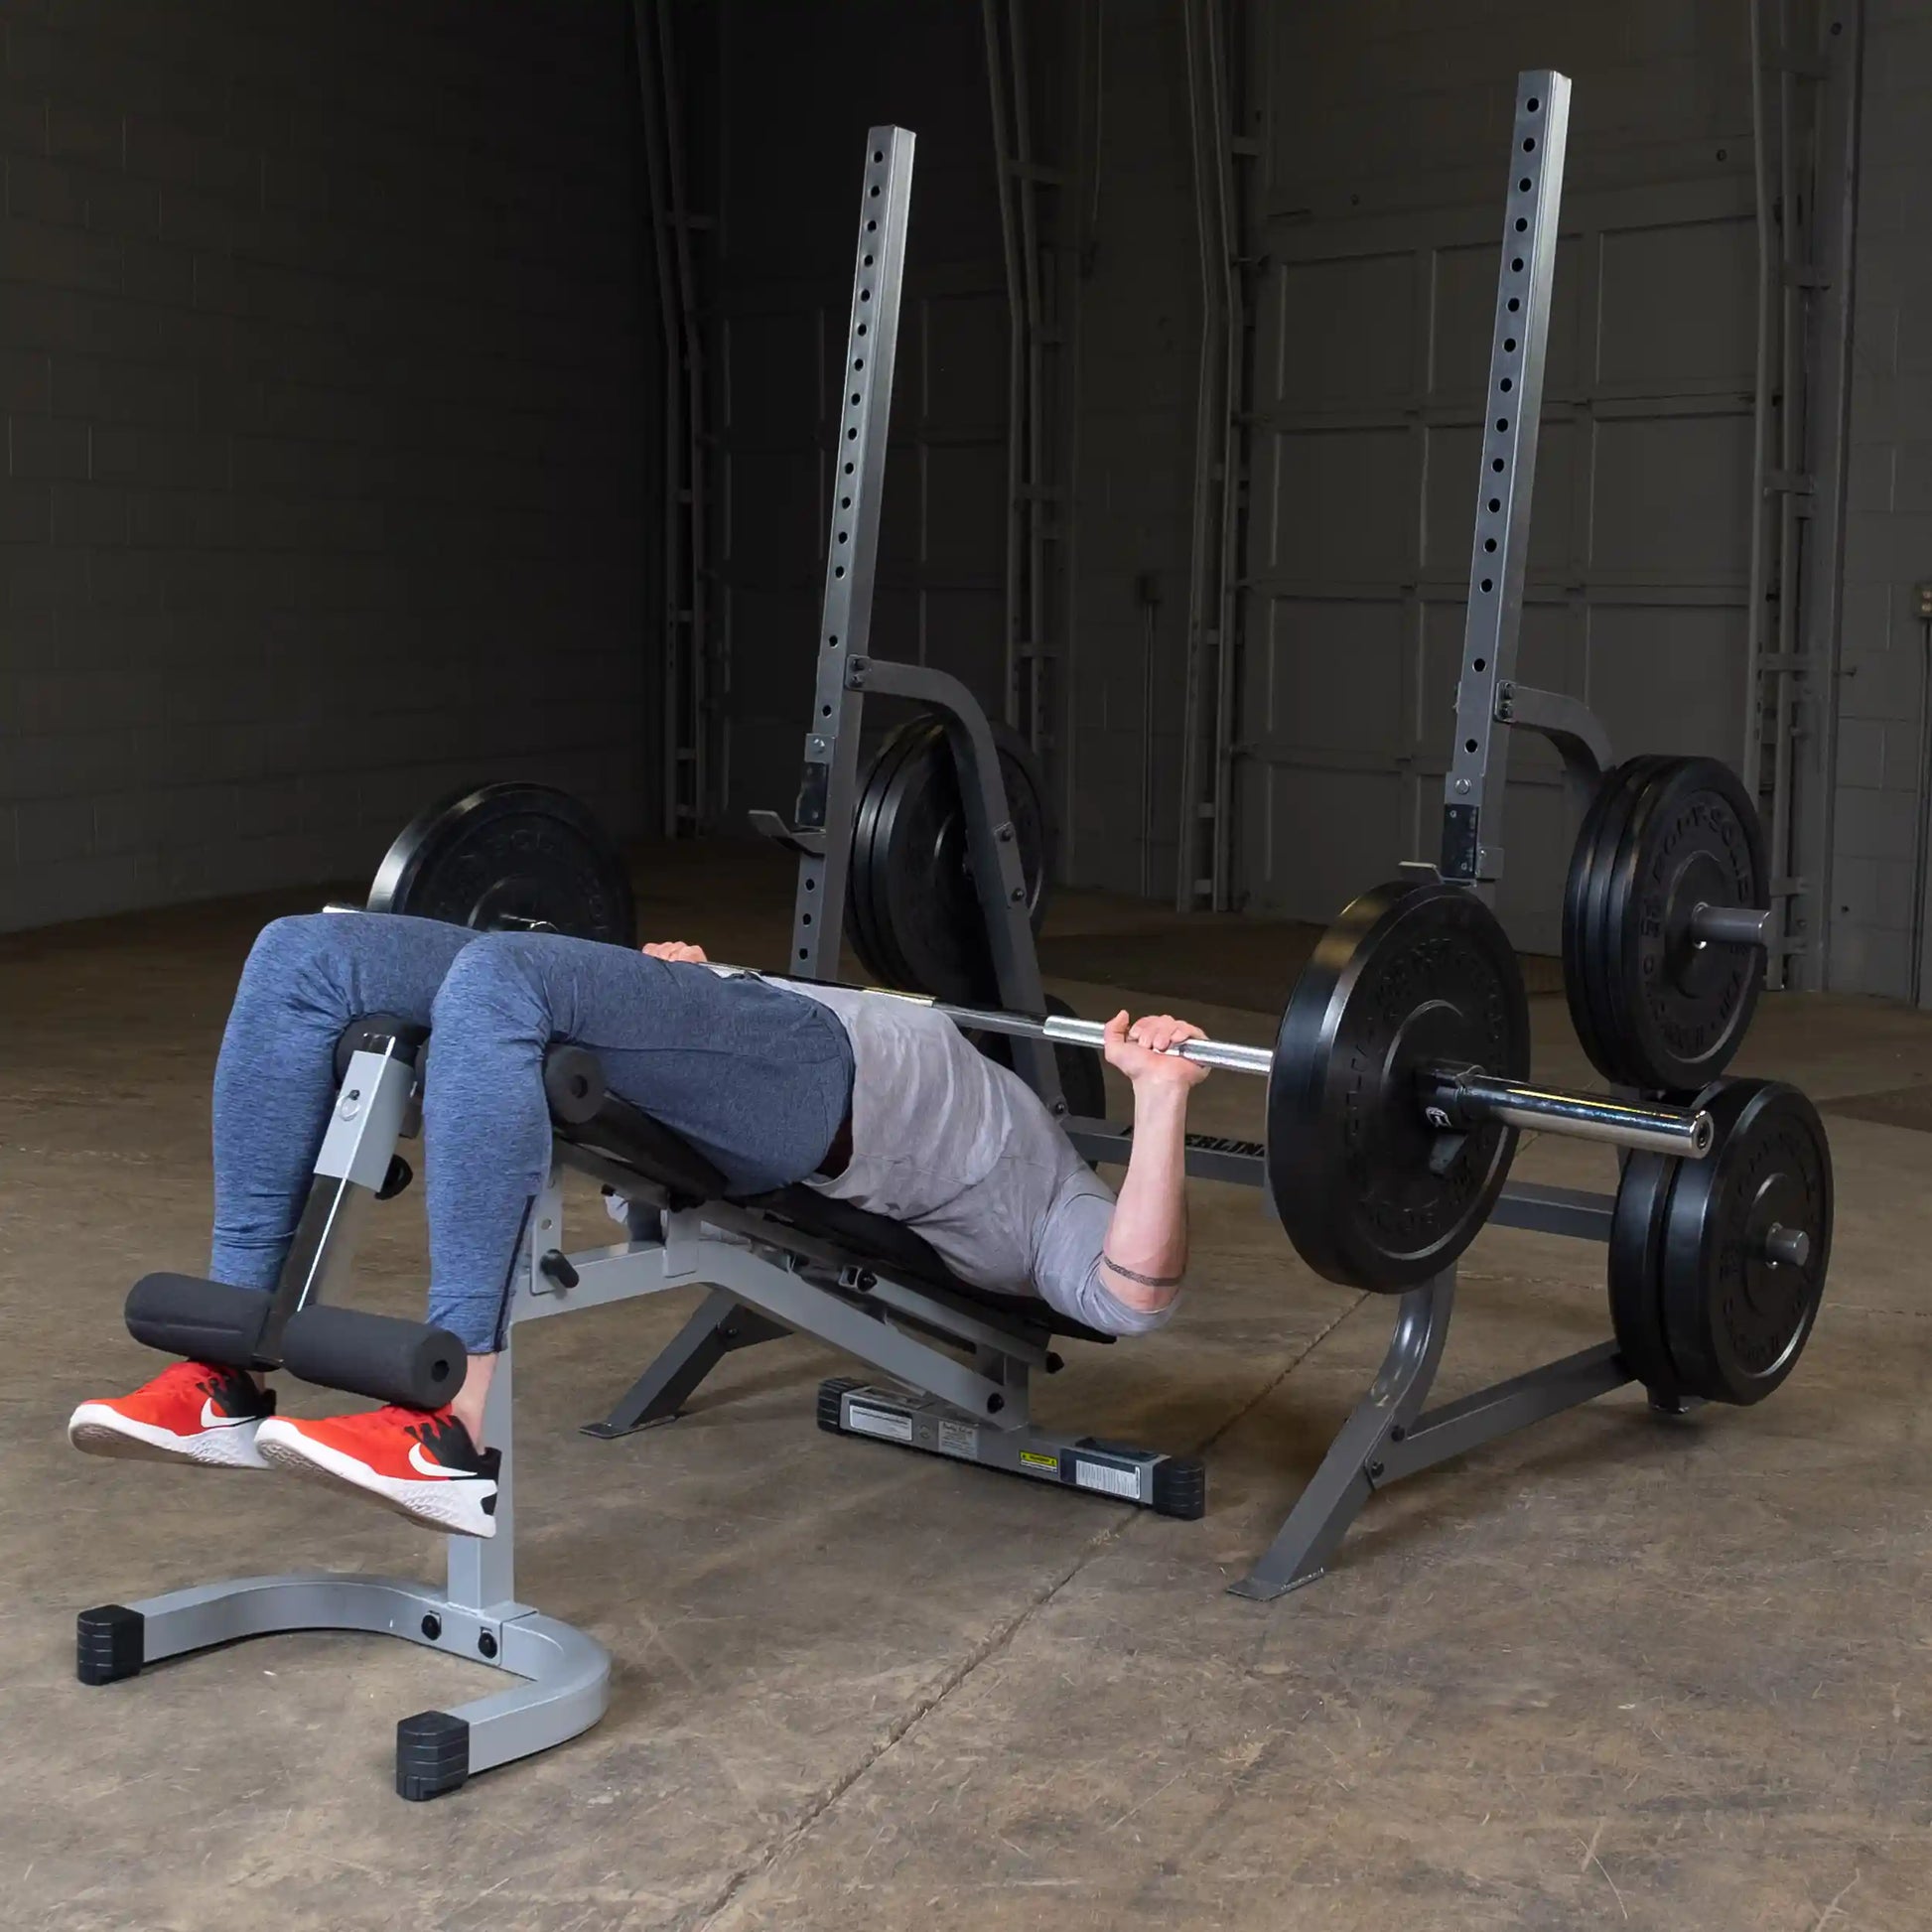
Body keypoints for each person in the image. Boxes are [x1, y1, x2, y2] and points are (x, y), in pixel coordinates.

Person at [68, 914, 1211, 1536]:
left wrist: (1160, 1099)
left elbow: (1135, 1294)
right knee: (302, 956)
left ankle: (449, 1429)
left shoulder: (1060, 1210)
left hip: (823, 1083)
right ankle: (219, 1378)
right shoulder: (1011, 1098)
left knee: (504, 982)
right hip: (755, 1025)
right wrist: (684, 997)